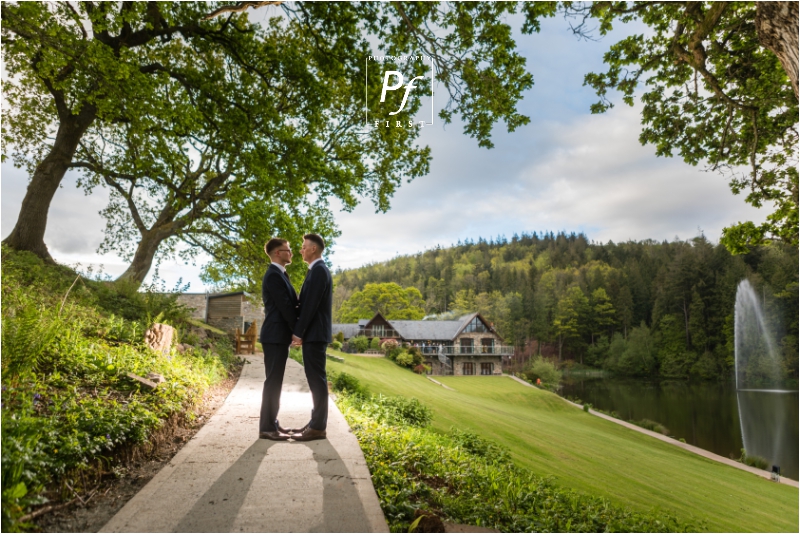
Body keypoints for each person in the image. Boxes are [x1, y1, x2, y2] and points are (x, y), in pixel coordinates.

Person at [290, 233, 333, 441]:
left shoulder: (318, 271)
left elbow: (310, 306)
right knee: (315, 379)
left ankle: (318, 427)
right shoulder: (315, 270)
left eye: (303, 246)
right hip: (315, 334)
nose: (301, 250)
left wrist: (298, 332)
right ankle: (315, 422)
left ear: (313, 249)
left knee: (317, 380)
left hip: (315, 334)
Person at [258, 238, 298, 441]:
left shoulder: (280, 274)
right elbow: (285, 306)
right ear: (277, 253)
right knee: (273, 382)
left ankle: (272, 423)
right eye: (287, 250)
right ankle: (266, 427)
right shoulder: (273, 275)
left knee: (276, 381)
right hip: (274, 336)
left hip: (278, 337)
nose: (291, 252)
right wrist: (298, 331)